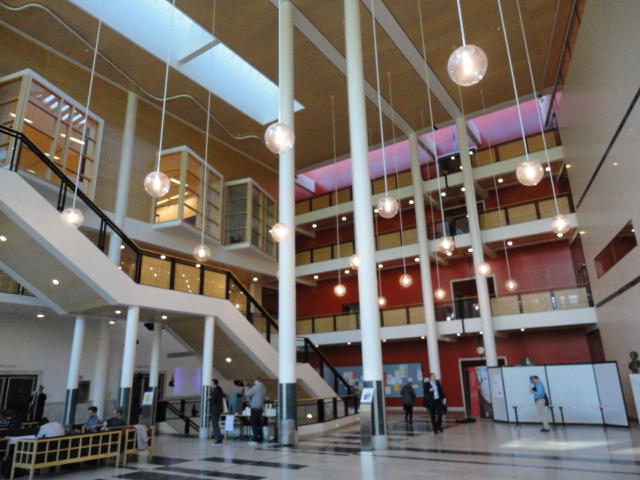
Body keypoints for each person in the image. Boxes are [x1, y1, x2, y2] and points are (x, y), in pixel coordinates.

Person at [244, 378, 266, 446]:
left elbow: (247, 394)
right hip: (260, 408)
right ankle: (260, 438)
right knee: (259, 424)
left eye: (254, 381)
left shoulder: (256, 387)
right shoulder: (263, 388)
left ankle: (255, 439)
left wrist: (246, 388)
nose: (254, 383)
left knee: (254, 424)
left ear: (257, 381)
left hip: (254, 408)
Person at [210, 379, 225, 445]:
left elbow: (214, 401)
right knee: (215, 424)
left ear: (214, 384)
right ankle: (219, 438)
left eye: (211, 383)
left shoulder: (216, 391)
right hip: (218, 409)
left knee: (215, 424)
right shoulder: (219, 390)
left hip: (215, 409)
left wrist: (210, 398)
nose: (210, 384)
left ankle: (219, 440)